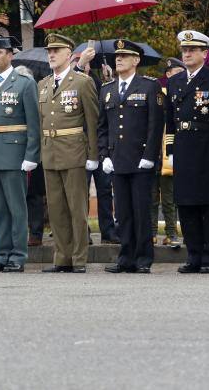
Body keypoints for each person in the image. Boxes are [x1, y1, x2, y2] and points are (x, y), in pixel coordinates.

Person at [166, 31, 209, 273]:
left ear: (204, 53)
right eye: (184, 50)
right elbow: (169, 120)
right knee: (185, 204)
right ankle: (193, 255)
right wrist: (170, 148)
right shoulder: (174, 82)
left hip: (208, 147)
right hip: (184, 146)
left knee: (208, 205)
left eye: (192, 50)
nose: (187, 54)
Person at [98, 39, 163, 273]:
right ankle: (125, 257)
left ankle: (143, 259)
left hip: (140, 159)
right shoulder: (107, 90)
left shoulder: (148, 87)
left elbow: (155, 125)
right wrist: (104, 155)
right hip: (117, 160)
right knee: (123, 213)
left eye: (124, 56)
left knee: (141, 211)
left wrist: (150, 155)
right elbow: (102, 127)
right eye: (117, 56)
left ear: (136, 60)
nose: (119, 59)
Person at [0, 38, 41, 273]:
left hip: (14, 153)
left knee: (16, 207)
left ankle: (18, 255)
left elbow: (34, 122)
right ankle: (1, 254)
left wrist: (31, 155)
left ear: (10, 55)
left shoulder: (24, 83)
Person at [38, 34, 99, 273]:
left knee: (77, 209)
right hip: (50, 152)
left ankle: (79, 258)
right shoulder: (42, 85)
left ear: (68, 54)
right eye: (49, 51)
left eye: (56, 50)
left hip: (74, 151)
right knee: (56, 209)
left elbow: (93, 122)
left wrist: (93, 155)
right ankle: (61, 257)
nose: (51, 55)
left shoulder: (81, 82)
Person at [74, 49, 120, 244]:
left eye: (84, 61)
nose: (83, 63)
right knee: (80, 191)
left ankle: (108, 231)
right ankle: (83, 232)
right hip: (80, 145)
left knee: (104, 189)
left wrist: (110, 79)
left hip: (100, 144)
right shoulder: (72, 81)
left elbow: (110, 103)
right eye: (78, 60)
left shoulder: (98, 81)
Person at [150, 57, 186, 247]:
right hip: (154, 151)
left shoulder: (183, 94)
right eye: (173, 73)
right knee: (152, 197)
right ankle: (152, 233)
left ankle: (172, 234)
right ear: (167, 75)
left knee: (170, 198)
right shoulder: (159, 94)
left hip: (172, 152)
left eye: (181, 73)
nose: (177, 77)